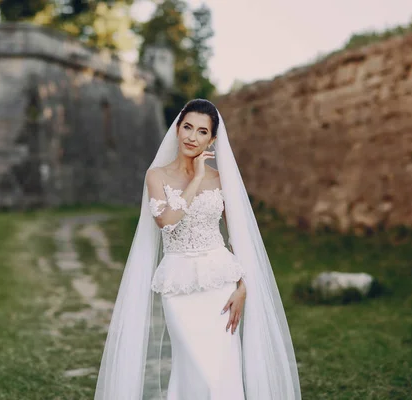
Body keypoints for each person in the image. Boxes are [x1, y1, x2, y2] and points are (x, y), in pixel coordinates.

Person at [94, 99, 302, 400]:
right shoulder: (157, 176)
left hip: (220, 284)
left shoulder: (223, 180)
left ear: (212, 140)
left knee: (220, 372)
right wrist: (197, 179)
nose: (193, 137)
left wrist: (244, 286)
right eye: (187, 127)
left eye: (202, 131)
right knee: (193, 368)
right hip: (179, 286)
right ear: (177, 130)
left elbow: (238, 238)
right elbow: (166, 222)